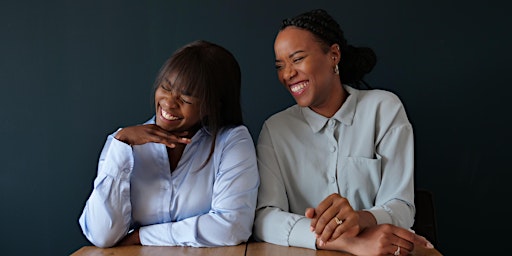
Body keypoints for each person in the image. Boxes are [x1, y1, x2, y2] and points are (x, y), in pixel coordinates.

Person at [253, 9, 434, 256]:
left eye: (297, 59)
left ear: (333, 55)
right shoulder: (275, 131)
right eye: (280, 65)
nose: (287, 74)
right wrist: (347, 242)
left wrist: (361, 219)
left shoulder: (384, 109)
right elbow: (264, 218)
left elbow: (401, 206)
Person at [79, 40, 259, 248]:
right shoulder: (122, 143)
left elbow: (232, 227)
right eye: (165, 87)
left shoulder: (232, 142)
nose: (169, 103)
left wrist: (141, 237)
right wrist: (120, 146)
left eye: (186, 98)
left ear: (212, 105)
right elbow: (102, 236)